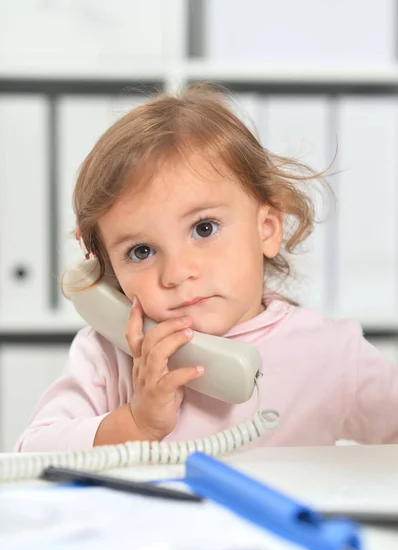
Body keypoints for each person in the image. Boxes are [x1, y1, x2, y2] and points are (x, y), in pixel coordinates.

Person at [15, 84, 398, 453]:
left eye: (204, 228)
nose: (177, 273)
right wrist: (137, 423)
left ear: (266, 229)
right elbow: (33, 452)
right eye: (142, 251)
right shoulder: (107, 354)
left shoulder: (330, 354)